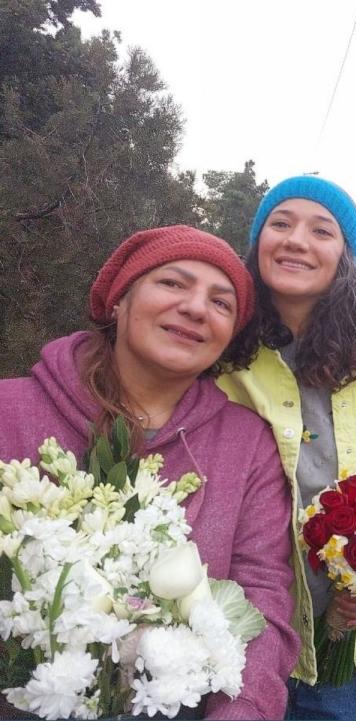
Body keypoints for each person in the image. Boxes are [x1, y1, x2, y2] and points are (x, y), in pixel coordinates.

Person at [0, 226, 299, 720]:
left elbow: (262, 596)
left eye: (221, 304)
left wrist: (242, 710)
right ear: (118, 301)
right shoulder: (10, 412)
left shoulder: (247, 445)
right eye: (173, 284)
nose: (197, 308)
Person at [217, 176, 356, 720]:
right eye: (280, 224)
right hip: (234, 636)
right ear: (257, 242)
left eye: (321, 230)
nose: (295, 240)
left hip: (346, 645)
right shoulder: (220, 361)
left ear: (345, 258)